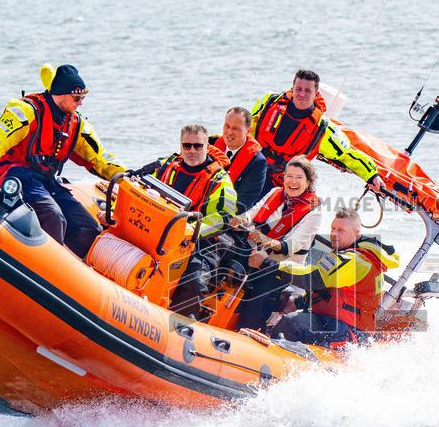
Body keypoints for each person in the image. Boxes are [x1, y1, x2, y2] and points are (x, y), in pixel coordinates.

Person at [0, 64, 126, 258]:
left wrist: (126, 177)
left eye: (83, 98)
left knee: (87, 227)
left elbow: (99, 158)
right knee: (53, 217)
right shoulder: (27, 111)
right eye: (77, 98)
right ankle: (49, 266)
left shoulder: (75, 124)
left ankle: (87, 276)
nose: (80, 104)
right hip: (16, 174)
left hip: (45, 180)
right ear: (61, 95)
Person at [247, 208, 400, 347]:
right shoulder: (346, 254)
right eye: (333, 228)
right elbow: (327, 290)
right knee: (280, 299)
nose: (334, 234)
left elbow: (313, 278)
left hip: (348, 331)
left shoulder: (356, 261)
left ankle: (265, 356)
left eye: (341, 230)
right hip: (335, 322)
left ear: (356, 234)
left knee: (291, 324)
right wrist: (299, 302)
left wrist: (267, 264)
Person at [144, 124, 237, 318]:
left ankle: (177, 327)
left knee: (194, 282)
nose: (192, 151)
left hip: (199, 242)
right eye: (187, 146)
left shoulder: (220, 181)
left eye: (198, 146)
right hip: (156, 230)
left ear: (206, 147)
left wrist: (189, 230)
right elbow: (140, 187)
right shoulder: (165, 166)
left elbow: (222, 218)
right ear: (180, 146)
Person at [250, 69, 385, 197]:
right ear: (292, 89)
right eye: (298, 89)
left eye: (308, 91)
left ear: (316, 94)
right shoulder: (270, 102)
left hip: (278, 184)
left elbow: (347, 155)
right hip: (251, 167)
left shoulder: (322, 130)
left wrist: (373, 175)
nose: (302, 94)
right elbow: (243, 128)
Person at [232, 156, 322, 330]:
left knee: (256, 296)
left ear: (309, 181)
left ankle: (248, 331)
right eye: (289, 176)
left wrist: (265, 241)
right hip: (254, 253)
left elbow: (290, 247)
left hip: (281, 268)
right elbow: (253, 213)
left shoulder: (314, 213)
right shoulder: (275, 192)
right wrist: (241, 219)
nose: (292, 181)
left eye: (299, 177)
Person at [210, 107, 267, 213]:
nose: (229, 132)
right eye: (227, 126)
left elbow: (245, 201)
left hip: (227, 216)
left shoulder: (258, 162)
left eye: (236, 128)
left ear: (248, 131)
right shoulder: (210, 145)